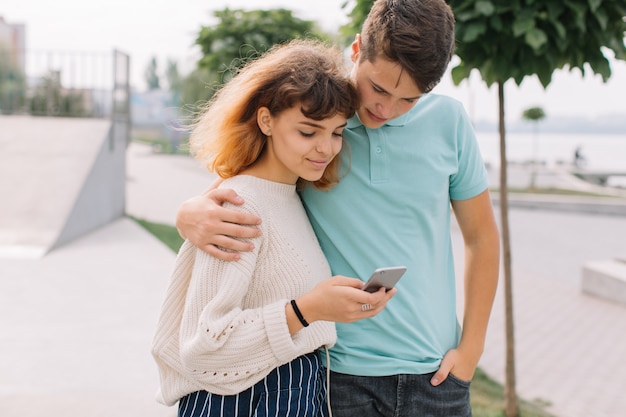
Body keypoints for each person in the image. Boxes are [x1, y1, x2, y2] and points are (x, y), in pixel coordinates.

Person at [175, 1, 501, 416]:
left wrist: (470, 351)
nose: (386, 108)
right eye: (379, 89)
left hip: (436, 373)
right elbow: (240, 189)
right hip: (338, 375)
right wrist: (188, 212)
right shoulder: (321, 120)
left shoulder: (450, 122)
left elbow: (481, 237)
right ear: (356, 49)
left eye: (408, 99)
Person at [151, 39, 396, 417]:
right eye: (308, 131)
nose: (326, 148)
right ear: (266, 120)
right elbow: (204, 347)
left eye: (336, 132)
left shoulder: (291, 194)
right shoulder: (240, 206)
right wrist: (308, 309)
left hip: (292, 391)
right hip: (249, 399)